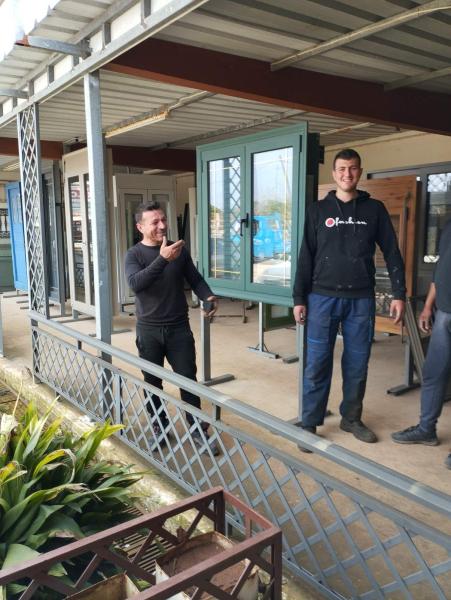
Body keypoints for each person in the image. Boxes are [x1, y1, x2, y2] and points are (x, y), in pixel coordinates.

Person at [293, 148, 406, 448]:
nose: (347, 174)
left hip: (361, 299)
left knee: (357, 364)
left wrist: (399, 294)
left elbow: (392, 252)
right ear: (334, 173)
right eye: (342, 169)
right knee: (317, 363)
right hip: (321, 298)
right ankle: (310, 422)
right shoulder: (317, 210)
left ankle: (351, 418)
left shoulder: (375, 210)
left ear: (359, 172)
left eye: (353, 168)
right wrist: (298, 298)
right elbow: (305, 256)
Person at [125, 201, 219, 455]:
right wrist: (162, 259)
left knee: (188, 380)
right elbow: (136, 284)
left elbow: (195, 279)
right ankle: (160, 426)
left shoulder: (179, 251)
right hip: (149, 330)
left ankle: (197, 428)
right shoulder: (134, 254)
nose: (162, 225)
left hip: (179, 328)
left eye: (163, 220)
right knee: (152, 382)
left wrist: (208, 295)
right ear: (140, 227)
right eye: (154, 222)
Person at [392, 217, 451, 468]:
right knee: (433, 373)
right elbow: (440, 268)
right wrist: (428, 306)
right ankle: (426, 429)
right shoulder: (449, 225)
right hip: (444, 312)